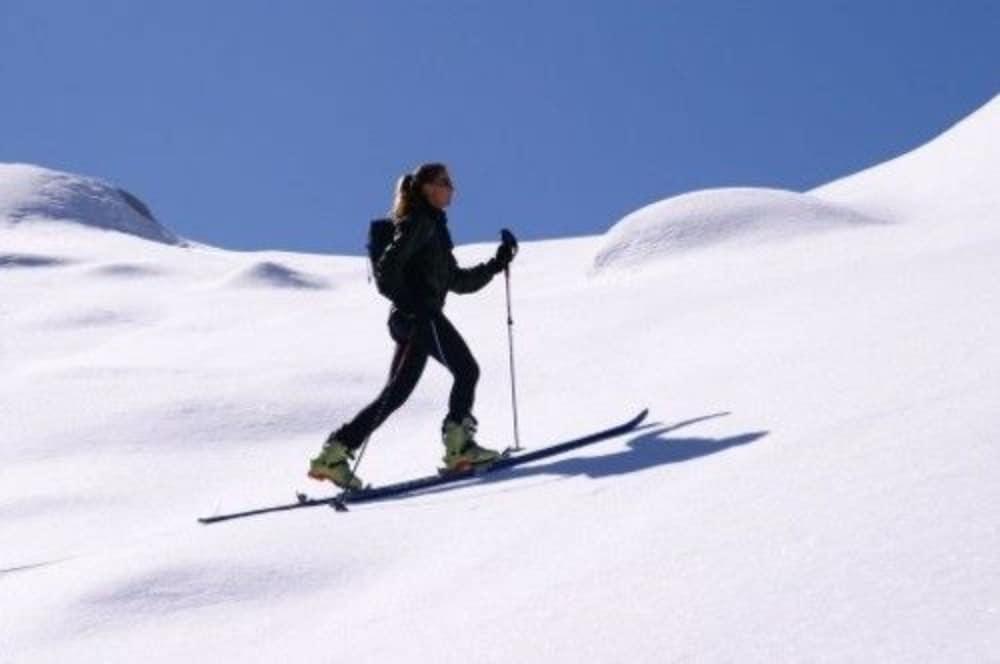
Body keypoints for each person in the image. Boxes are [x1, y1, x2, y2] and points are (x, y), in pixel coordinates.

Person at [309, 162, 517, 489]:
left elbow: (458, 281)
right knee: (467, 370)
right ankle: (459, 448)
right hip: (418, 317)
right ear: (426, 188)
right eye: (444, 182)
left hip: (414, 319)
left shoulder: (433, 228)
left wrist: (497, 263)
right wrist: (414, 306)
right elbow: (386, 271)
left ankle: (334, 454)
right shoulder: (419, 222)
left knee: (395, 395)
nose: (452, 188)